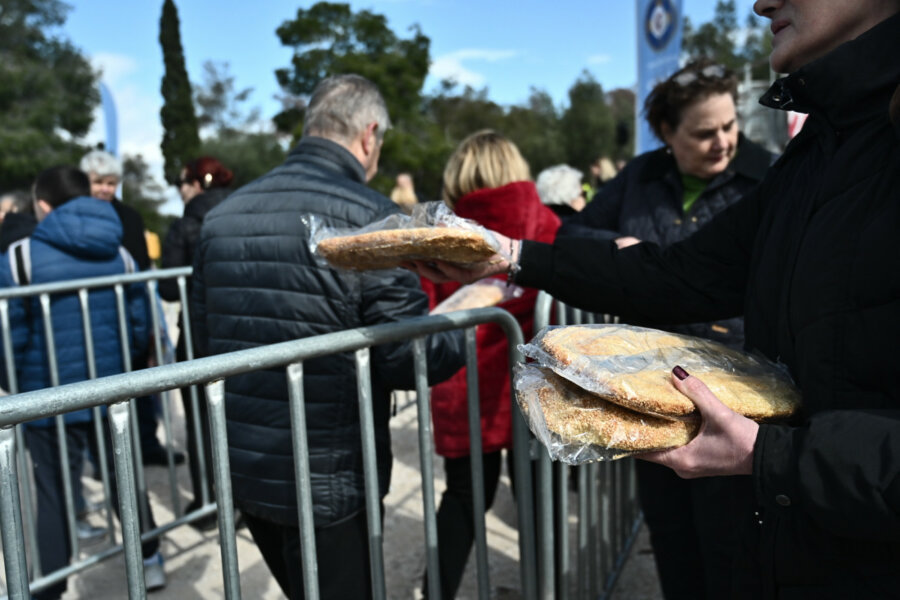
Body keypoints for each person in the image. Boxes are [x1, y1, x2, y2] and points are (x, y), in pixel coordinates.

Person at [407, 2, 900, 597]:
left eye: (727, 128)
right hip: (783, 526)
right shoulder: (817, 150)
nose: (759, 2)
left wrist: (773, 457)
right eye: (702, 131)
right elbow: (679, 273)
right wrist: (513, 256)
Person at [189, 73, 465, 599]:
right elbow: (407, 358)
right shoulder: (370, 217)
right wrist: (467, 327)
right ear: (369, 135)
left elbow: (198, 349)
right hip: (333, 478)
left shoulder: (221, 218)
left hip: (249, 470)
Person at [557, 58, 775, 599]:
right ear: (667, 134)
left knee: (730, 543)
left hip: (736, 397)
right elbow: (571, 234)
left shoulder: (769, 175)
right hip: (652, 392)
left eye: (730, 126)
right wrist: (615, 248)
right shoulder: (639, 177)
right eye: (704, 133)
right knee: (670, 531)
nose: (723, 141)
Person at [0, 166, 166, 597]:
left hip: (48, 398)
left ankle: (48, 589)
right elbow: (136, 324)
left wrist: (16, 385)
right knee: (123, 479)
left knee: (54, 497)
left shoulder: (21, 258)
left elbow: (9, 336)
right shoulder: (122, 252)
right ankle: (150, 559)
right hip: (110, 390)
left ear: (42, 204)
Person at [419, 130, 560, 599]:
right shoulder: (547, 225)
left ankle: (434, 592)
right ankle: (545, 589)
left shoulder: (445, 233)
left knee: (462, 497)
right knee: (536, 495)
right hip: (533, 386)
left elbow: (426, 308)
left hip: (466, 387)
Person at [79, 150, 184, 467]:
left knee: (139, 384)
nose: (104, 189)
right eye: (98, 182)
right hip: (93, 317)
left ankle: (148, 446)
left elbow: (139, 268)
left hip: (130, 313)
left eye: (110, 183)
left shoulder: (129, 216)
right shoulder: (75, 216)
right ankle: (104, 460)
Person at [158, 156, 234, 530]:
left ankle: (208, 503)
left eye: (181, 183)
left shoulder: (186, 223)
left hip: (199, 334)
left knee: (200, 421)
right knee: (238, 415)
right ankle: (241, 503)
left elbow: (168, 287)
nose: (180, 190)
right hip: (241, 330)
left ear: (195, 184)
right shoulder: (242, 212)